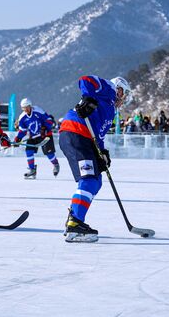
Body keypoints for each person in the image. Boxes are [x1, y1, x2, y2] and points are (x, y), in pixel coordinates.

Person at [58, 75, 131, 243]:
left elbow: (98, 135)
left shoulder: (111, 110)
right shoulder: (107, 88)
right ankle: (75, 223)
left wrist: (102, 152)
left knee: (96, 180)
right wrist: (88, 99)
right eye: (124, 93)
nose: (123, 98)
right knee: (89, 180)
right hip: (76, 132)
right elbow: (85, 80)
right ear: (119, 89)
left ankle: (74, 217)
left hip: (83, 137)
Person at [14, 98, 59, 179]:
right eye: (24, 108)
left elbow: (49, 120)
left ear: (30, 106)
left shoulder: (38, 111)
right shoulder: (22, 118)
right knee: (28, 150)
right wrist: (18, 138)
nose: (26, 109)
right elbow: (23, 130)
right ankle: (32, 170)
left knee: (49, 153)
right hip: (33, 136)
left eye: (27, 107)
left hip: (44, 135)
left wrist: (44, 128)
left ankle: (55, 164)